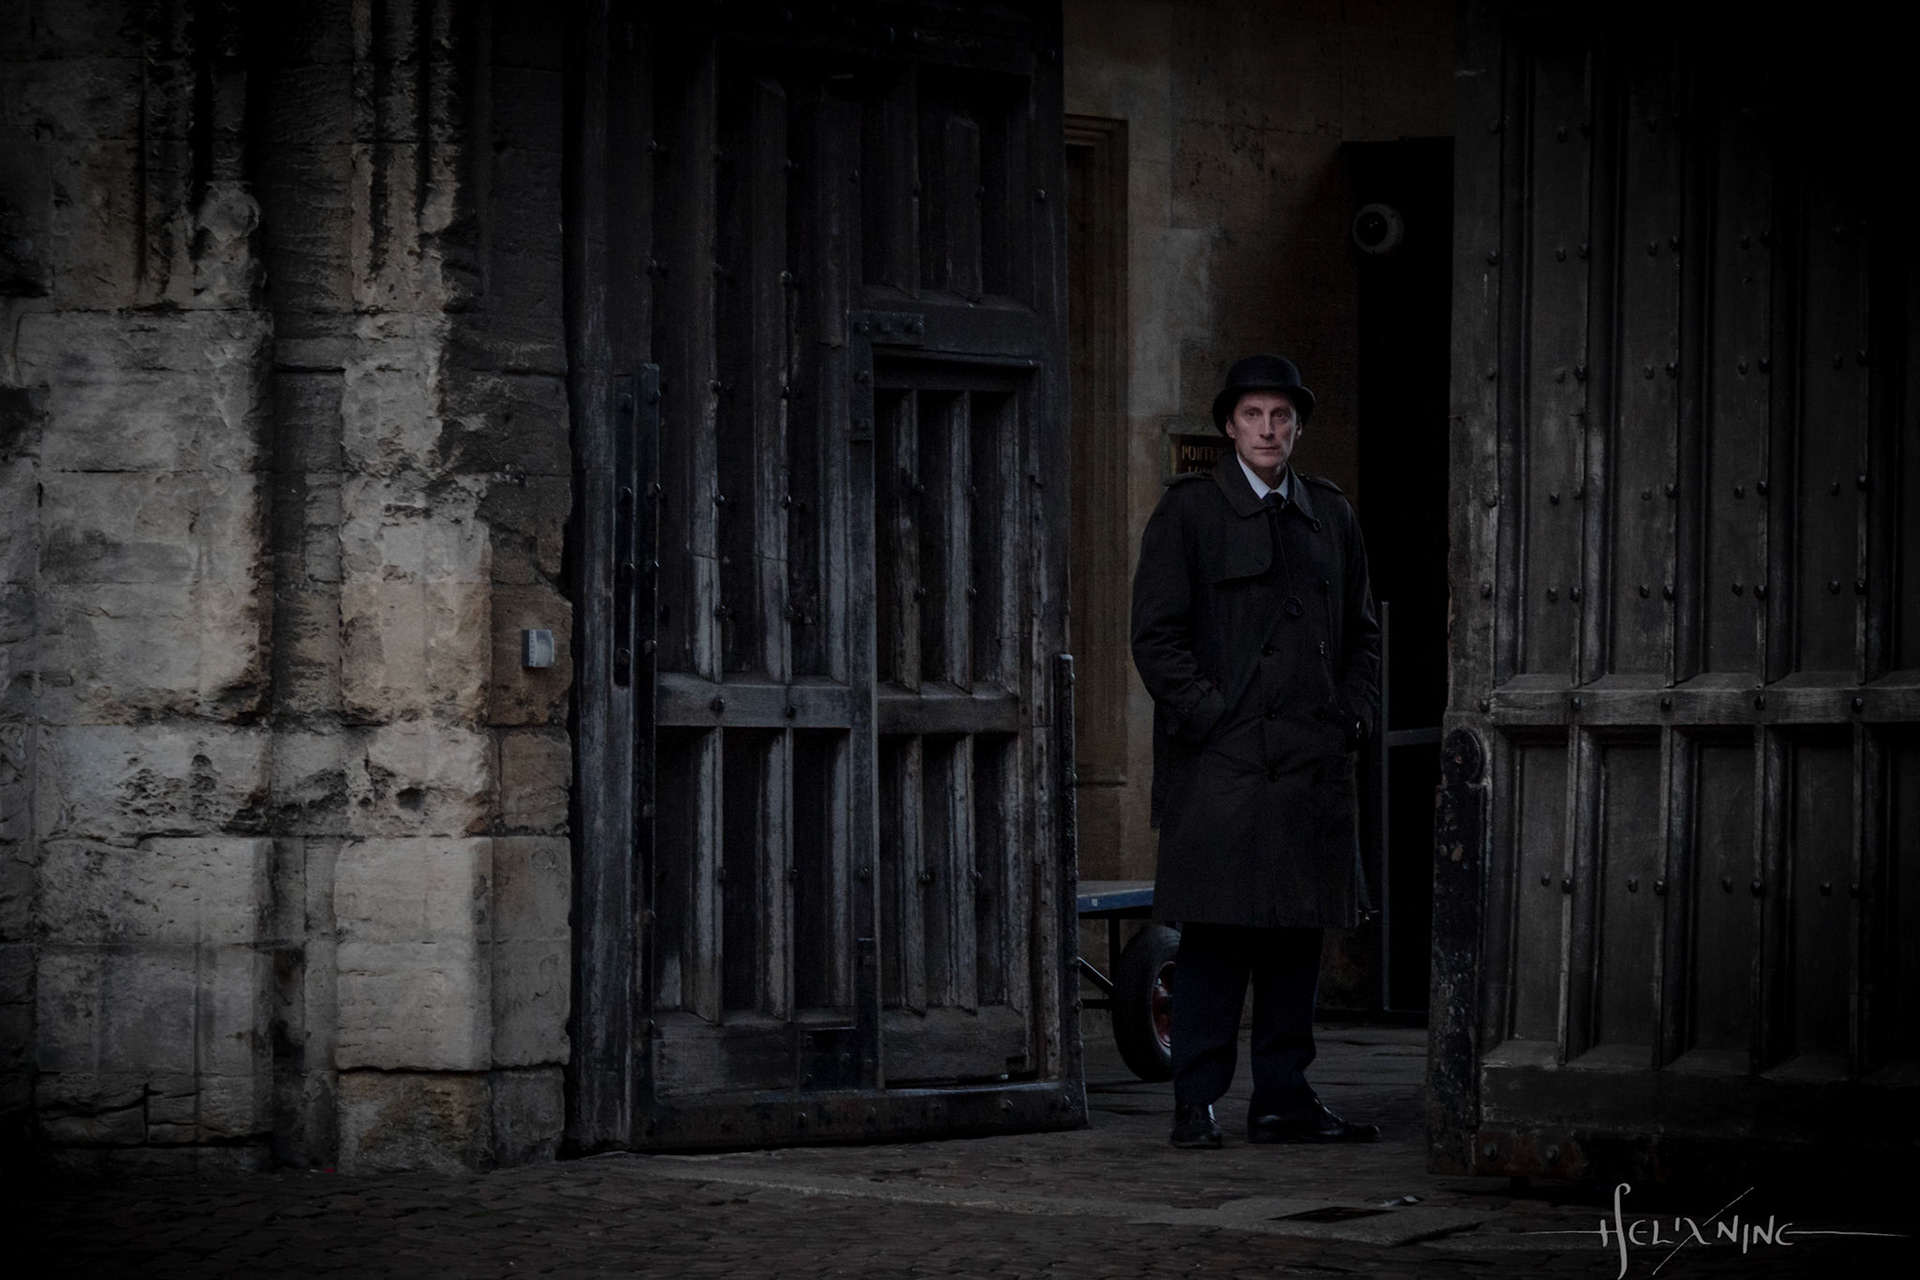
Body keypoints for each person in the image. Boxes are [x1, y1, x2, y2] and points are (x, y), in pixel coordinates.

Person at [1129, 353, 1382, 1149]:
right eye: (1253, 416)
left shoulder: (1332, 515)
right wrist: (1208, 718)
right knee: (1216, 938)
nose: (1268, 430)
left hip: (1310, 765)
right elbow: (1156, 639)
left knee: (1293, 942)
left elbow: (1364, 638)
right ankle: (1194, 1101)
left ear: (1297, 426)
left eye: (1281, 416)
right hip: (1224, 767)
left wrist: (1353, 718)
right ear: (1229, 425)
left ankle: (1283, 1100)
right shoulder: (1189, 514)